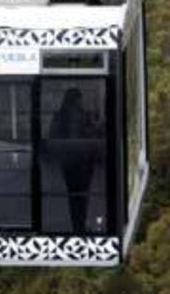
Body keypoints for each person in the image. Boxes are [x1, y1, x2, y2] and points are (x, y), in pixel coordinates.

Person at [48, 87, 99, 233]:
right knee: (82, 195)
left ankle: (77, 225)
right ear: (77, 100)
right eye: (80, 99)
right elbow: (92, 135)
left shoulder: (59, 116)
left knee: (74, 196)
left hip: (69, 163)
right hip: (84, 162)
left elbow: (53, 137)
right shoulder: (85, 116)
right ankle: (80, 225)